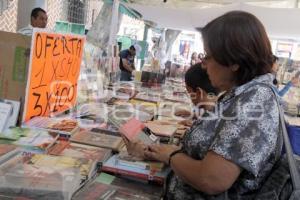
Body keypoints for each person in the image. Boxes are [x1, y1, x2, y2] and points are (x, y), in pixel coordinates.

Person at [124, 11, 283, 199]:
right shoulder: (244, 94)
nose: (203, 65)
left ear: (233, 61)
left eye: (208, 56)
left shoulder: (255, 100)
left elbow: (212, 179)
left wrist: (171, 156)